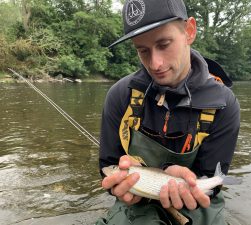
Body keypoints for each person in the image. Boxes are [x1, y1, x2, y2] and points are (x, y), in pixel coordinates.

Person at [97, 0, 240, 224]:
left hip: (195, 202)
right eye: (142, 50)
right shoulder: (120, 96)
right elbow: (107, 166)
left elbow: (211, 181)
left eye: (164, 44)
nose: (155, 64)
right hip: (136, 203)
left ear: (189, 31)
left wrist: (195, 185)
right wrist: (118, 188)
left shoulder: (223, 104)